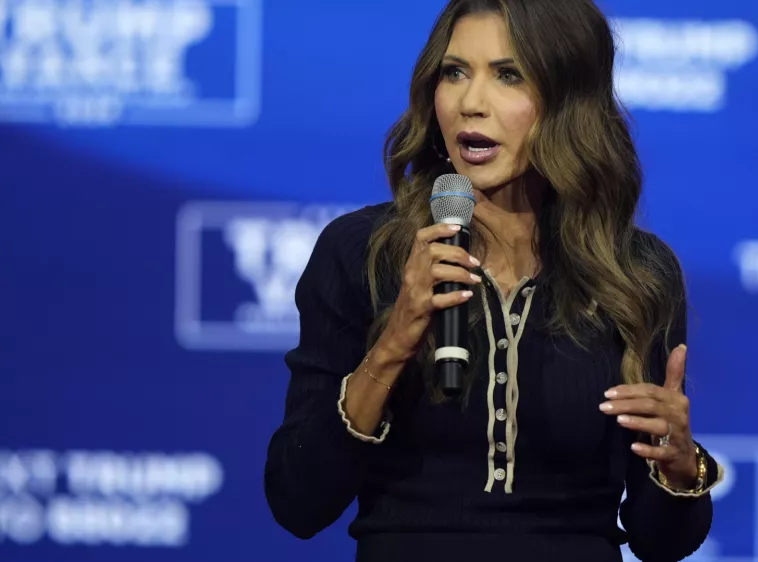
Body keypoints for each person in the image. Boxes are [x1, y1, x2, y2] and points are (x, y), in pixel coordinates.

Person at [263, 0, 726, 560]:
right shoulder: (364, 252)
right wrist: (393, 344)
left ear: (568, 99)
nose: (470, 102)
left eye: (508, 76)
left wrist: (678, 468)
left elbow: (661, 543)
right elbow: (297, 501)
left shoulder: (633, 272)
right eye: (454, 72)